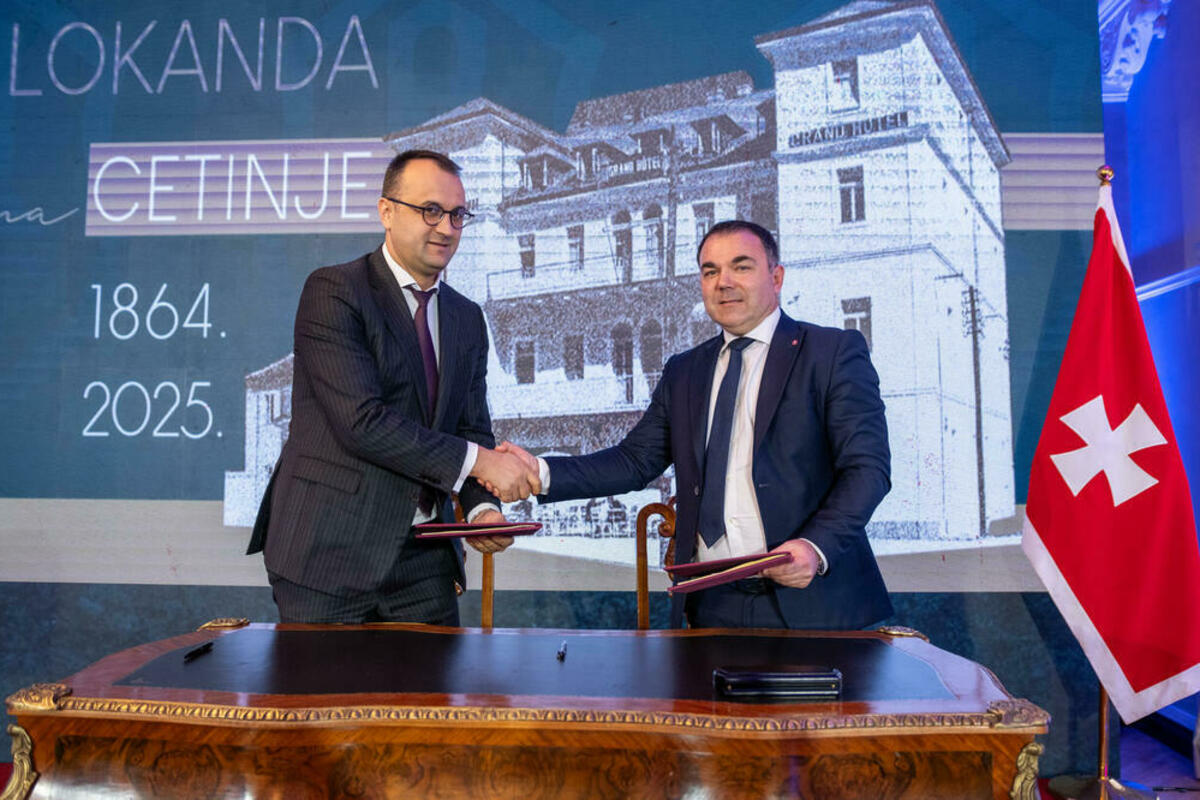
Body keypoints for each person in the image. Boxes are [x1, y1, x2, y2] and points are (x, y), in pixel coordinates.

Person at [501, 220, 892, 629]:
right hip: (710, 602)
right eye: (710, 271)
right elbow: (633, 461)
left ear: (776, 277)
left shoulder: (831, 353)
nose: (724, 282)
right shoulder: (684, 371)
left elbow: (867, 469)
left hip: (814, 603)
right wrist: (538, 472)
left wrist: (815, 547)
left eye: (741, 267)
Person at [248, 150, 539, 624]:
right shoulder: (334, 291)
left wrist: (482, 509)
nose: (446, 228)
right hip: (327, 556)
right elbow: (363, 423)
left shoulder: (467, 318)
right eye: (430, 210)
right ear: (387, 211)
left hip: (426, 563)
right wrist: (484, 463)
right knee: (320, 679)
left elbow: (471, 428)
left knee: (432, 677)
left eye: (457, 215)